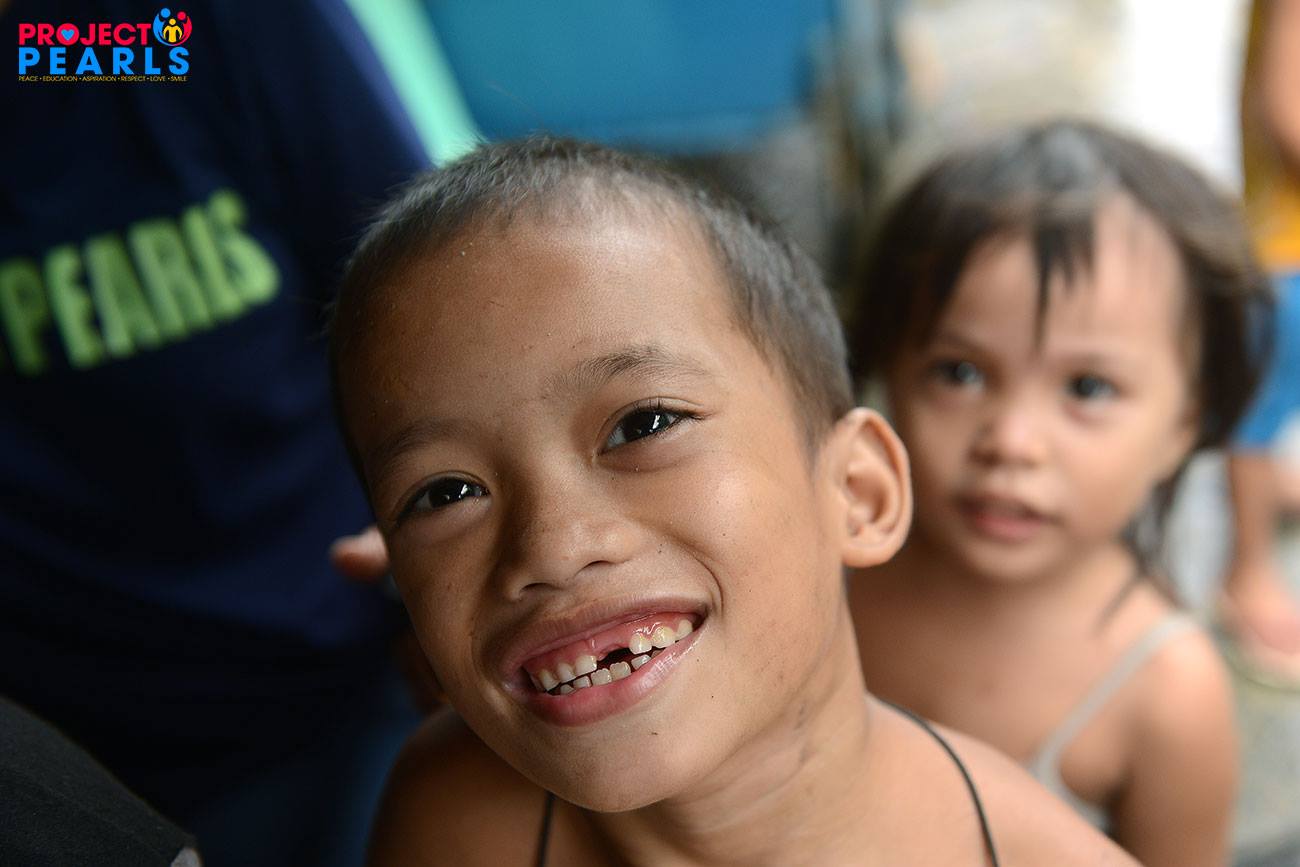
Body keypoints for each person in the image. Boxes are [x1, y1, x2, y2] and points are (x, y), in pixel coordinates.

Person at [327, 137, 1135, 865]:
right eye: (444, 492)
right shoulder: (449, 814)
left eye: (643, 424)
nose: (554, 545)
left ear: (856, 492)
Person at [0, 0, 452, 863]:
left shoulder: (134, 40)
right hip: (49, 748)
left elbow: (427, 295)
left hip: (335, 679)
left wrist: (444, 529)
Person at [846, 120, 1269, 866]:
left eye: (1088, 387)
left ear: (1184, 424)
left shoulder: (1166, 693)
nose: (1011, 441)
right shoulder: (826, 574)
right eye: (958, 372)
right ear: (888, 370)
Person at [1217, 0, 1300, 686]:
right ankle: (1247, 574)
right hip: (1285, 248)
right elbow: (1286, 110)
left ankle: (1277, 491)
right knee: (1260, 407)